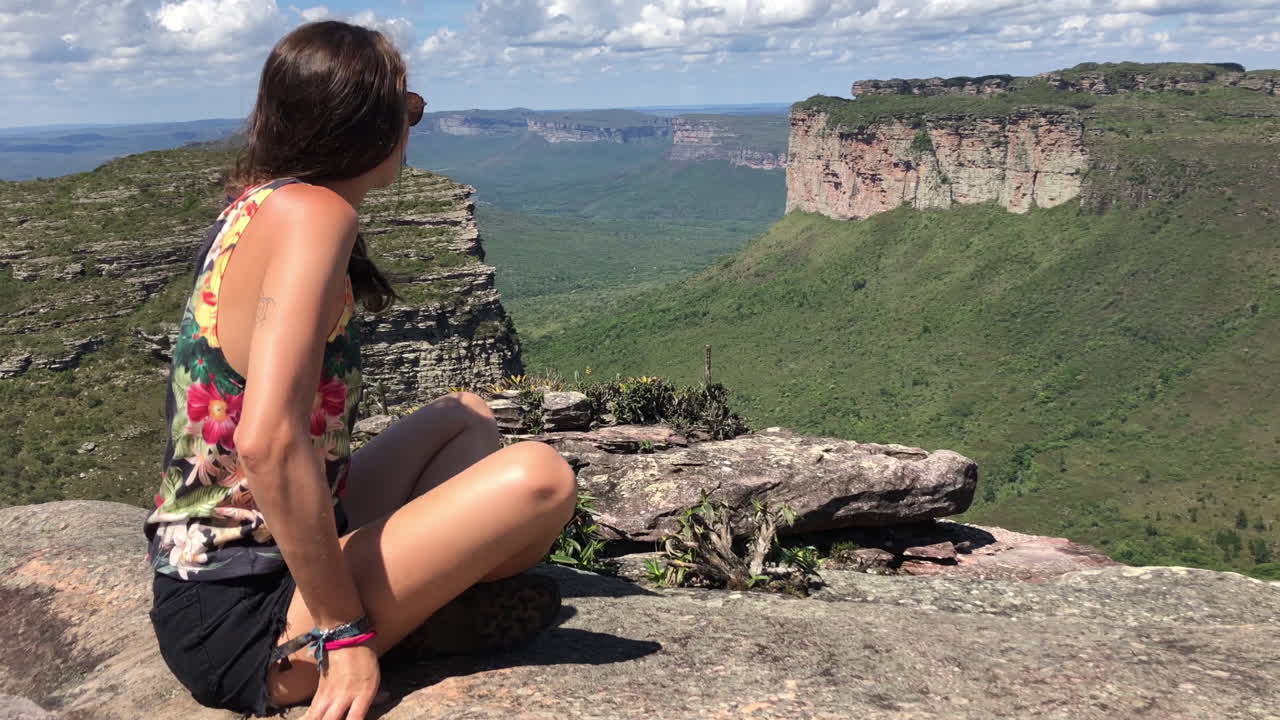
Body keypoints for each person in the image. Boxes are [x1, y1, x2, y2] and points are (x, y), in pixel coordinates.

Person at [143, 19, 578, 720]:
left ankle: (412, 606)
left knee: (466, 418)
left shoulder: (257, 201)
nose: (414, 128)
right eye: (410, 111)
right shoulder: (316, 214)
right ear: (369, 127)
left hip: (260, 557)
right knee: (541, 480)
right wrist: (343, 634)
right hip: (241, 614)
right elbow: (267, 441)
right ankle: (382, 623)